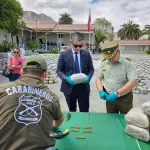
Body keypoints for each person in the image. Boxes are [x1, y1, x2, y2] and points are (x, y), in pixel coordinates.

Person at [0, 55, 64, 150]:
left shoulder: (2, 90)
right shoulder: (52, 97)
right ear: (45, 74)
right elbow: (59, 120)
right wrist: (52, 127)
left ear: (21, 72)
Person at [96, 40, 138, 114]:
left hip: (124, 99)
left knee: (125, 119)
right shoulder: (104, 63)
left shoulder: (127, 64)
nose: (110, 60)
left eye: (112, 57)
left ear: (118, 52)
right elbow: (98, 78)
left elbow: (133, 81)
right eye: (108, 58)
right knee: (111, 119)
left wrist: (117, 93)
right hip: (109, 98)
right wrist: (101, 91)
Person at [57, 32, 94, 112]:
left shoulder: (86, 54)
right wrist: (66, 78)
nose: (78, 48)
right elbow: (59, 71)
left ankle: (84, 124)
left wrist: (88, 77)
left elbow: (91, 69)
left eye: (80, 46)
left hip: (83, 87)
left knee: (84, 111)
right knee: (72, 111)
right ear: (71, 43)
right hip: (69, 87)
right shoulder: (64, 54)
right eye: (76, 45)